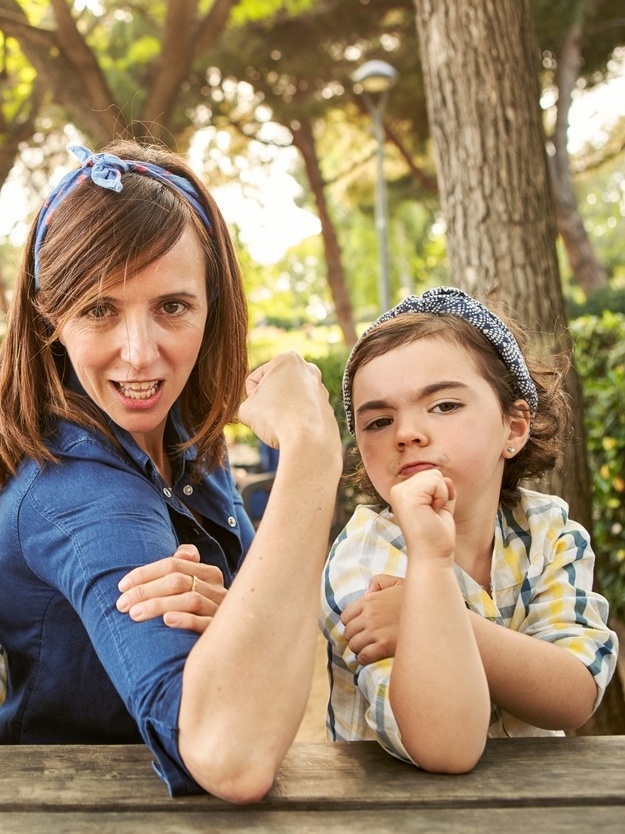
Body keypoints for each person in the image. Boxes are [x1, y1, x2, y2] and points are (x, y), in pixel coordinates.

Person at [0, 140, 343, 802]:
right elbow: (229, 757)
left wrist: (239, 621)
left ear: (210, 302)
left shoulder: (185, 443)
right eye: (100, 309)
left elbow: (263, 633)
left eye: (172, 306)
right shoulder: (84, 497)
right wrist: (311, 449)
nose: (139, 353)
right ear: (51, 316)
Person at [320, 287, 618, 773]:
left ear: (514, 426)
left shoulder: (550, 530)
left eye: (444, 406)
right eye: (378, 420)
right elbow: (444, 747)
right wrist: (433, 564)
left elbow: (576, 695)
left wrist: (439, 622)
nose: (406, 433)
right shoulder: (363, 554)